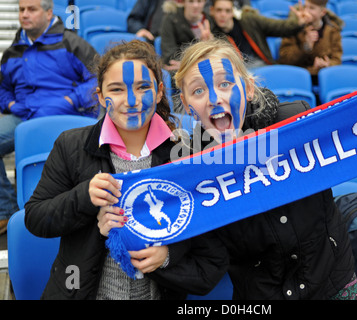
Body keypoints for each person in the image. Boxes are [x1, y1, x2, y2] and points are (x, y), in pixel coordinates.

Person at [174, 38, 357, 299]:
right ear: (186, 103)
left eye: (225, 84)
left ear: (248, 89)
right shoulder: (193, 169)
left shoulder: (297, 123)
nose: (214, 98)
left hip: (331, 284)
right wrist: (160, 260)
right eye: (198, 91)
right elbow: (208, 264)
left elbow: (356, 145)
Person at [24, 40, 228, 300]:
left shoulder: (186, 153)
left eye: (143, 87)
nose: (131, 101)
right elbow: (36, 218)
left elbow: (210, 245)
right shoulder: (71, 145)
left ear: (158, 92)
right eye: (117, 89)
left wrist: (168, 256)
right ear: (100, 96)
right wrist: (84, 197)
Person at [0, 0, 98, 235]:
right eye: (21, 10)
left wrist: (68, 101)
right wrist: (11, 103)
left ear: (48, 12)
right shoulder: (14, 50)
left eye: (31, 9)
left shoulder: (71, 43)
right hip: (23, 117)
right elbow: (3, 88)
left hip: (65, 116)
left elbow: (97, 79)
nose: (25, 15)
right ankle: (6, 211)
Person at [209, 0, 313, 68]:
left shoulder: (249, 20)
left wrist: (297, 23)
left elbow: (278, 27)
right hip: (241, 74)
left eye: (227, 11)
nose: (223, 15)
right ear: (212, 11)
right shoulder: (211, 34)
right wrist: (209, 43)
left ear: (232, 12)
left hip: (264, 65)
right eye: (219, 10)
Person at [278, 0, 343, 83]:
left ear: (323, 12)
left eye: (311, 8)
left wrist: (327, 64)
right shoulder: (293, 28)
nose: (306, 11)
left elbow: (337, 60)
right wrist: (306, 47)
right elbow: (285, 60)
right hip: (296, 79)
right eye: (305, 7)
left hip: (322, 79)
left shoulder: (333, 30)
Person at [160, 0, 213, 72]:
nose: (195, 5)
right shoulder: (171, 20)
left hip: (205, 67)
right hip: (179, 69)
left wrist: (210, 44)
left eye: (199, 1)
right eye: (191, 1)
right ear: (183, 2)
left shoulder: (211, 21)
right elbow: (169, 54)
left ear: (205, 2)